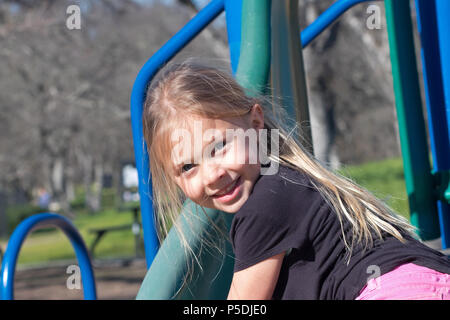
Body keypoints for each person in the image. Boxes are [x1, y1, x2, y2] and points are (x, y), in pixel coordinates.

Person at [142, 62, 450, 300]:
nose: (212, 174)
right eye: (188, 167)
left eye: (219, 146)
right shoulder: (287, 180)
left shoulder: (265, 206)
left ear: (256, 124)